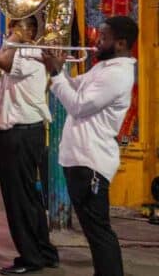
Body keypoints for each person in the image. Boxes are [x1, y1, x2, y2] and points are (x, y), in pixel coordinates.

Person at [41, 16, 138, 276]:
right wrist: (57, 70)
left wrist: (54, 73)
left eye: (103, 38)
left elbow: (78, 105)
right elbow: (75, 88)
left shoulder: (117, 74)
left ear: (120, 43)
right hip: (81, 158)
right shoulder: (105, 68)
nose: (96, 42)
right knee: (94, 232)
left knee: (98, 232)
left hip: (91, 161)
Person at [0, 17, 59, 274]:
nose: (8, 31)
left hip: (21, 134)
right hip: (15, 134)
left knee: (19, 200)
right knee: (28, 198)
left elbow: (3, 61)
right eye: (9, 26)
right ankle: (44, 250)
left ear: (29, 30)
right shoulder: (19, 50)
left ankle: (31, 257)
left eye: (15, 26)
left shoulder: (30, 51)